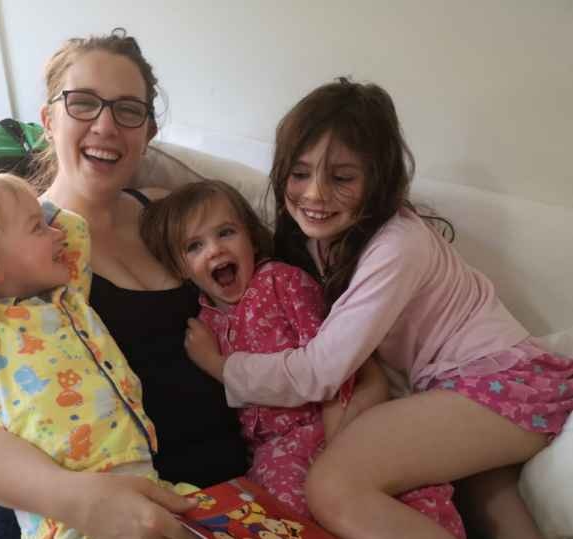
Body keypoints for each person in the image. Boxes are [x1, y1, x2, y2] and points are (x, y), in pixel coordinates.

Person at [184, 78, 573, 539]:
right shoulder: (323, 239)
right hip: (483, 388)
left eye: (342, 178)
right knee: (491, 504)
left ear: (379, 181)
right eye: (300, 173)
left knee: (332, 485)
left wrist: (224, 367)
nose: (314, 194)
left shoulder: (399, 245)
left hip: (505, 384)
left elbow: (319, 371)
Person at [0, 29, 248, 539]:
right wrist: (79, 500)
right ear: (49, 119)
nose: (106, 125)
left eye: (128, 110)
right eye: (83, 103)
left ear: (148, 131)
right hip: (80, 518)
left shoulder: (171, 212)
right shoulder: (11, 255)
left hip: (215, 497)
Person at [141, 180, 464, 537]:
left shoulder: (282, 283)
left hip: (332, 421)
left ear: (250, 237)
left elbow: (335, 368)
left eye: (226, 232)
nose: (215, 250)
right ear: (180, 267)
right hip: (274, 451)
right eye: (195, 246)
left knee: (406, 492)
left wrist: (337, 439)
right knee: (277, 512)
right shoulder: (204, 326)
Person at [0, 173, 199, 539]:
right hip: (68, 522)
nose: (55, 232)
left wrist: (38, 212)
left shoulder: (64, 297)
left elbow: (74, 230)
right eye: (39, 228)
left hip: (142, 482)